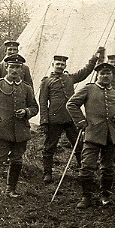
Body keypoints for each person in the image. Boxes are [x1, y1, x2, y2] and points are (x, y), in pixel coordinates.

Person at [66, 59, 115, 209]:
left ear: (112, 76)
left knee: (108, 168)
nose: (106, 76)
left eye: (108, 73)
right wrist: (81, 123)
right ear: (97, 75)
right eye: (102, 73)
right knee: (87, 167)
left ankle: (105, 195)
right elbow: (71, 104)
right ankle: (86, 196)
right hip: (93, 134)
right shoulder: (88, 89)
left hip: (112, 135)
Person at [38, 48, 105, 183]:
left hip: (70, 119)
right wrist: (44, 121)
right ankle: (47, 173)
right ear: (53, 65)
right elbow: (43, 102)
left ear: (65, 66)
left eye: (62, 64)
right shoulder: (46, 82)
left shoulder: (70, 78)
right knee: (50, 147)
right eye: (58, 64)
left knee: (79, 145)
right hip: (54, 119)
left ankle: (83, 170)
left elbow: (85, 72)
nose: (60, 66)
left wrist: (94, 59)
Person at [0, 54, 39, 200]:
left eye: (17, 67)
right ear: (6, 68)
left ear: (22, 69)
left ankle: (10, 190)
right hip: (2, 131)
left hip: (20, 131)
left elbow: (34, 107)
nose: (14, 70)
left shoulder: (26, 88)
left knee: (17, 160)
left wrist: (26, 112)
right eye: (11, 66)